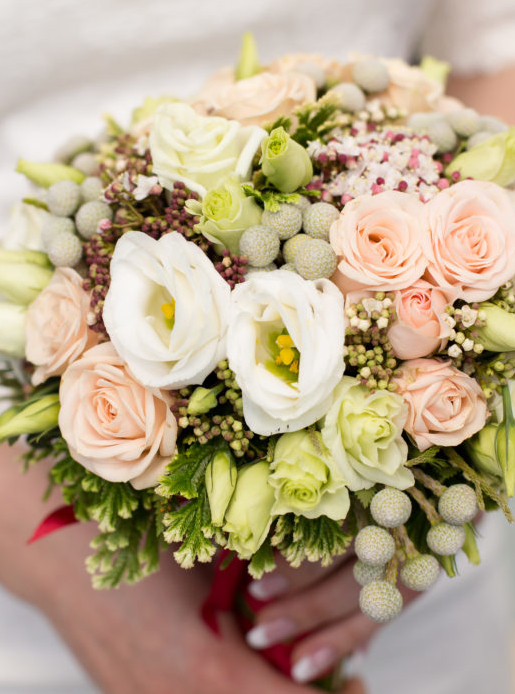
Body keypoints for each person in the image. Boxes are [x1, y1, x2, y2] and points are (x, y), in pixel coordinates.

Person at [1, 1, 515, 692]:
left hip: (389, 600)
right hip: (35, 564)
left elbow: (496, 52)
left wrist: (453, 442)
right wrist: (96, 607)